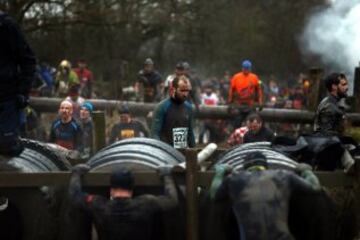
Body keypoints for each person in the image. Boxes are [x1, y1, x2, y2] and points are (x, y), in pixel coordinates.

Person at [210, 152, 325, 240]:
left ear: (245, 168)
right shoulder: (284, 176)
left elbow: (213, 194)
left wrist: (220, 173)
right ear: (266, 166)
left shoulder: (233, 180)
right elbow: (315, 188)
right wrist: (306, 171)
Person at [69, 164, 178, 240]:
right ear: (132, 189)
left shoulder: (99, 205)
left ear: (111, 190)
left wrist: (76, 173)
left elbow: (74, 196)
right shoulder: (146, 203)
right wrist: (167, 175)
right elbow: (172, 200)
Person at [0, 11, 36, 157]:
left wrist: (23, 91)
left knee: (7, 147)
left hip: (7, 96)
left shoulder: (7, 26)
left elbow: (28, 60)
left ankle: (16, 142)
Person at [151, 76, 195, 148]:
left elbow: (190, 134)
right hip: (166, 152)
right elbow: (155, 134)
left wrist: (194, 152)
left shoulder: (189, 108)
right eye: (182, 90)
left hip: (182, 152)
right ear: (174, 90)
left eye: (187, 91)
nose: (185, 94)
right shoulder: (162, 107)